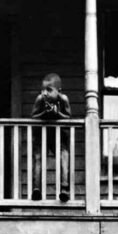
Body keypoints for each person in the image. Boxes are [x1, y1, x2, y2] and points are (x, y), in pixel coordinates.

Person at [30, 72, 71, 202]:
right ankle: (36, 188)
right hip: (42, 134)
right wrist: (44, 113)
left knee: (63, 157)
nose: (45, 93)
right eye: (43, 90)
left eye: (49, 90)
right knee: (38, 158)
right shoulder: (40, 99)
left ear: (59, 91)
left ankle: (64, 188)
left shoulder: (63, 99)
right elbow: (33, 116)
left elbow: (69, 117)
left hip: (58, 136)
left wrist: (57, 113)